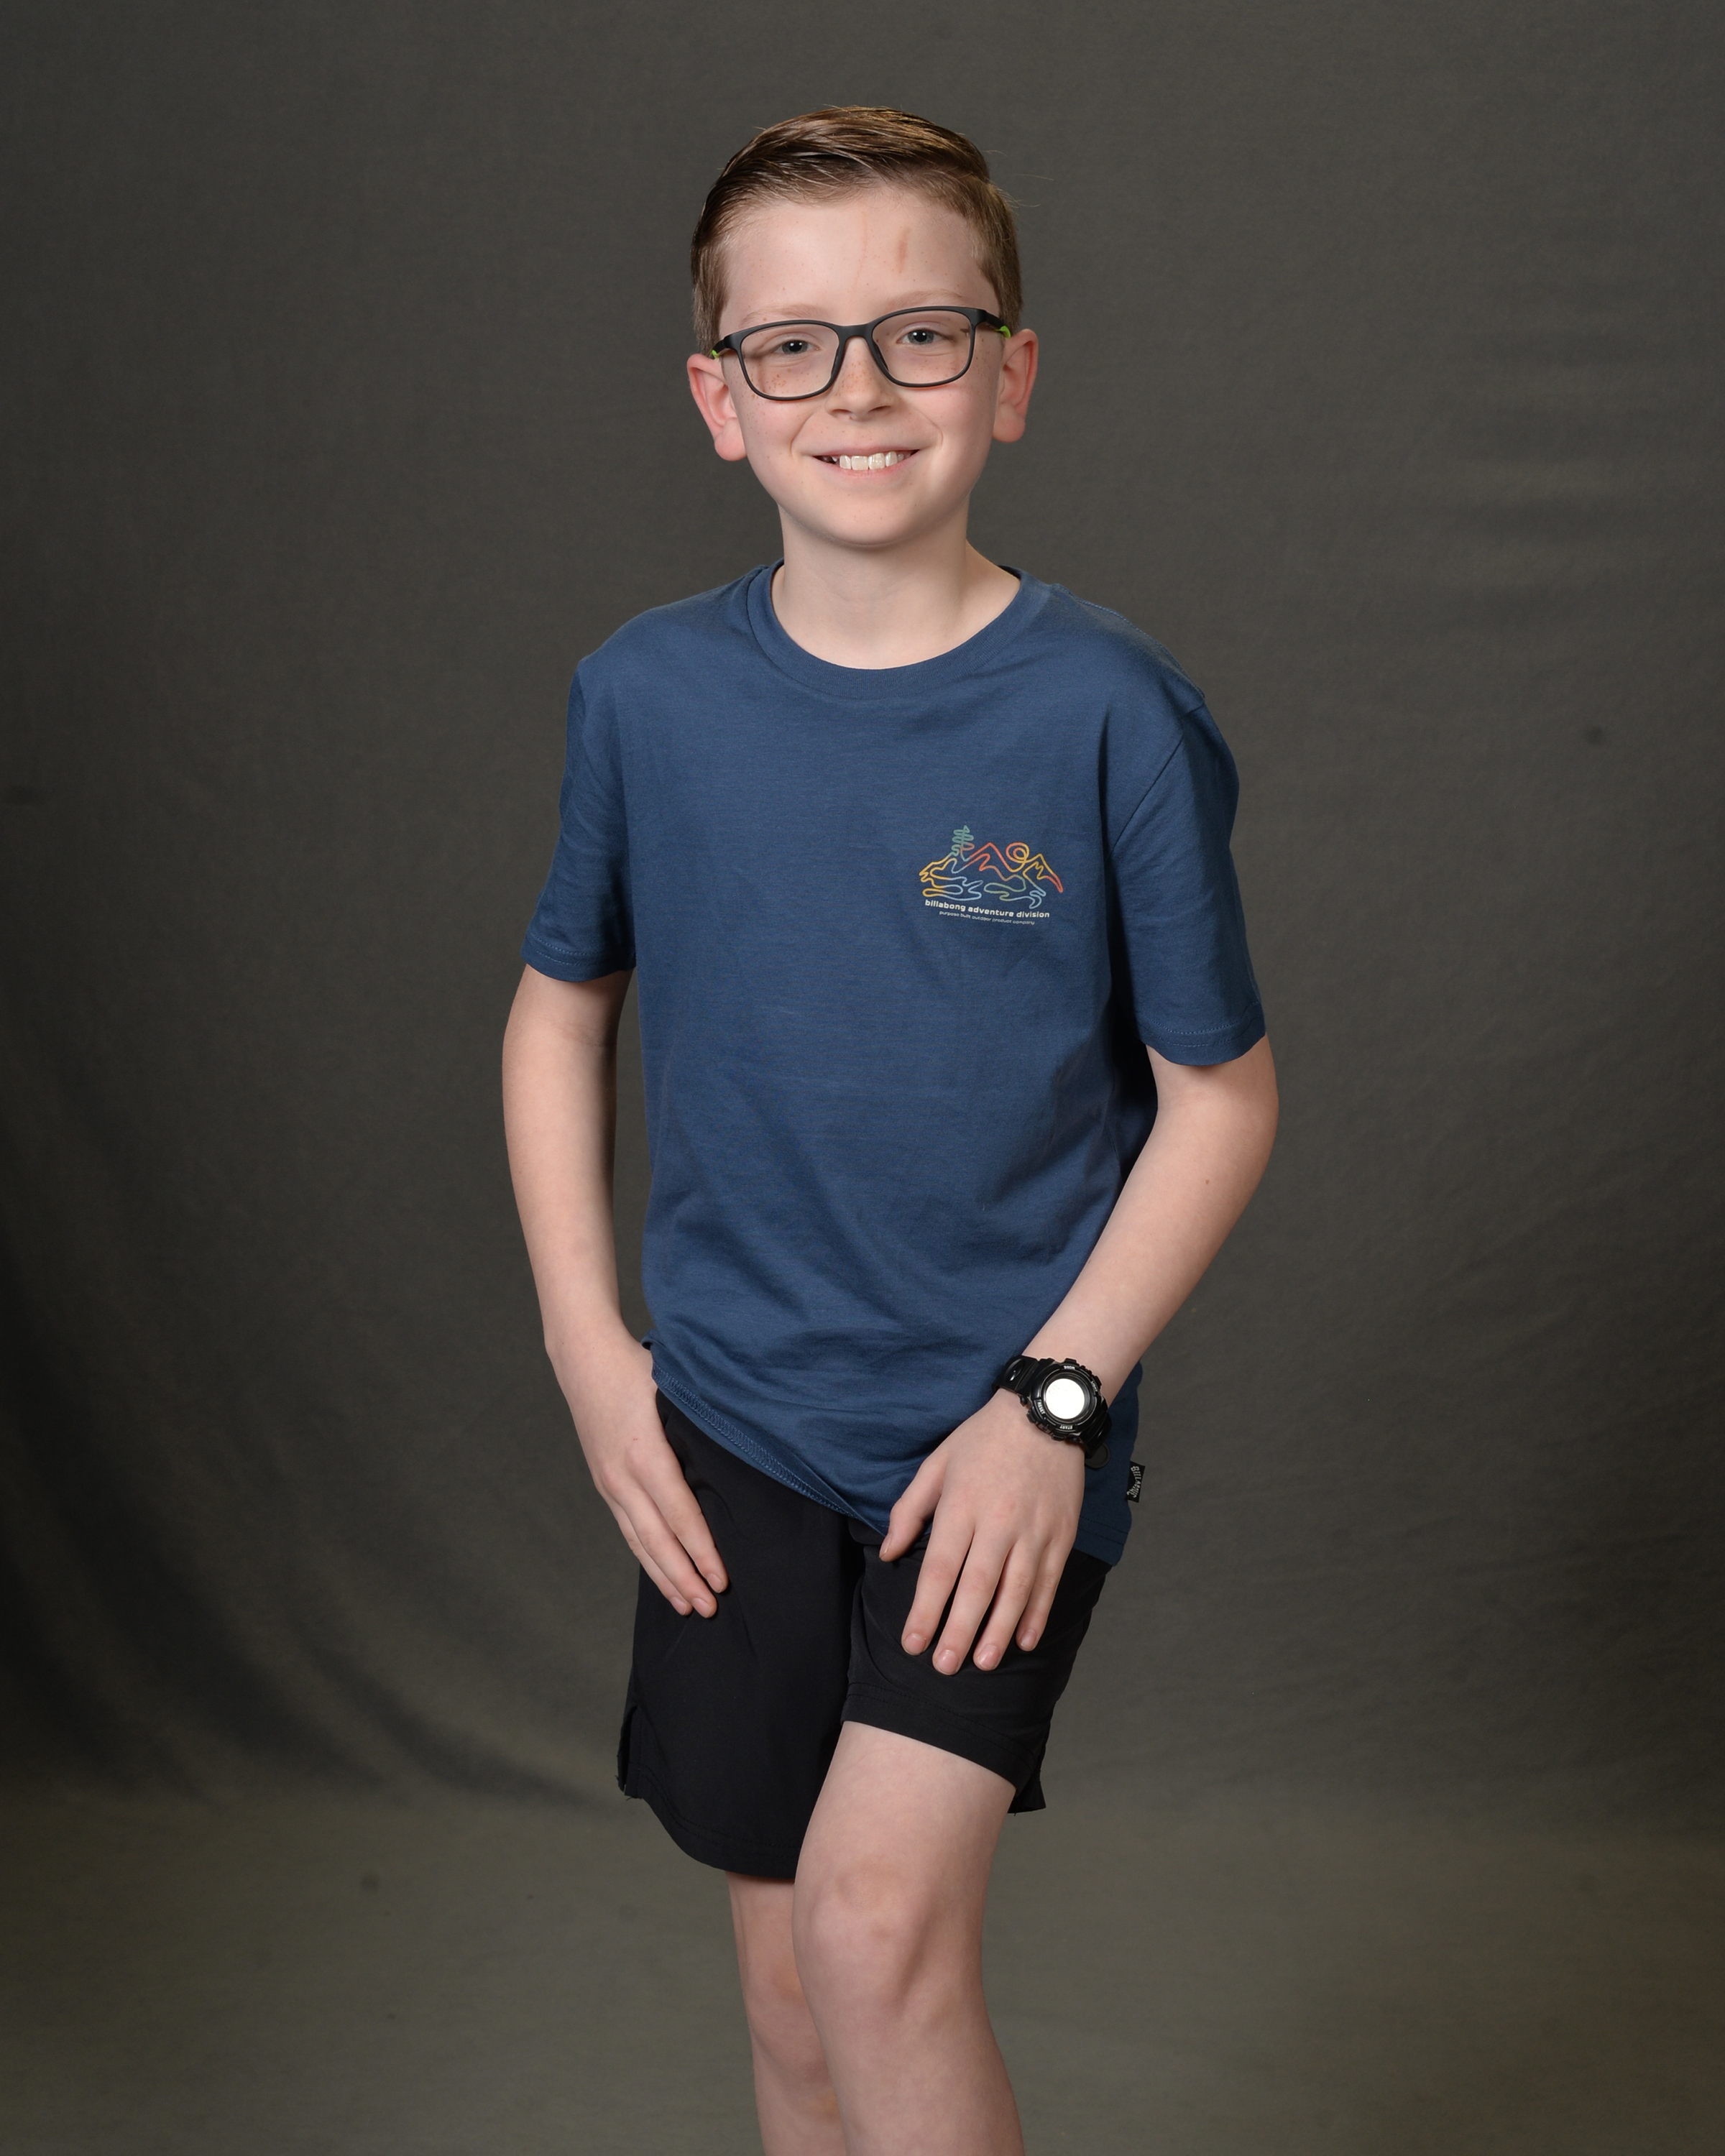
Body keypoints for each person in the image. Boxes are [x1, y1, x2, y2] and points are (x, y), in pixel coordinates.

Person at [502, 106, 1279, 2156]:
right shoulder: (643, 698)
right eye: (794, 345)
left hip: (992, 1451)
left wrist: (1054, 1407)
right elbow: (559, 1009)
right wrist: (589, 1351)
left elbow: (1222, 1100)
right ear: (720, 400)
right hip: (729, 1434)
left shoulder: (1111, 712)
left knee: (874, 1935)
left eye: (922, 333)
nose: (858, 389)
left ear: (1010, 377)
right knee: (788, 1993)